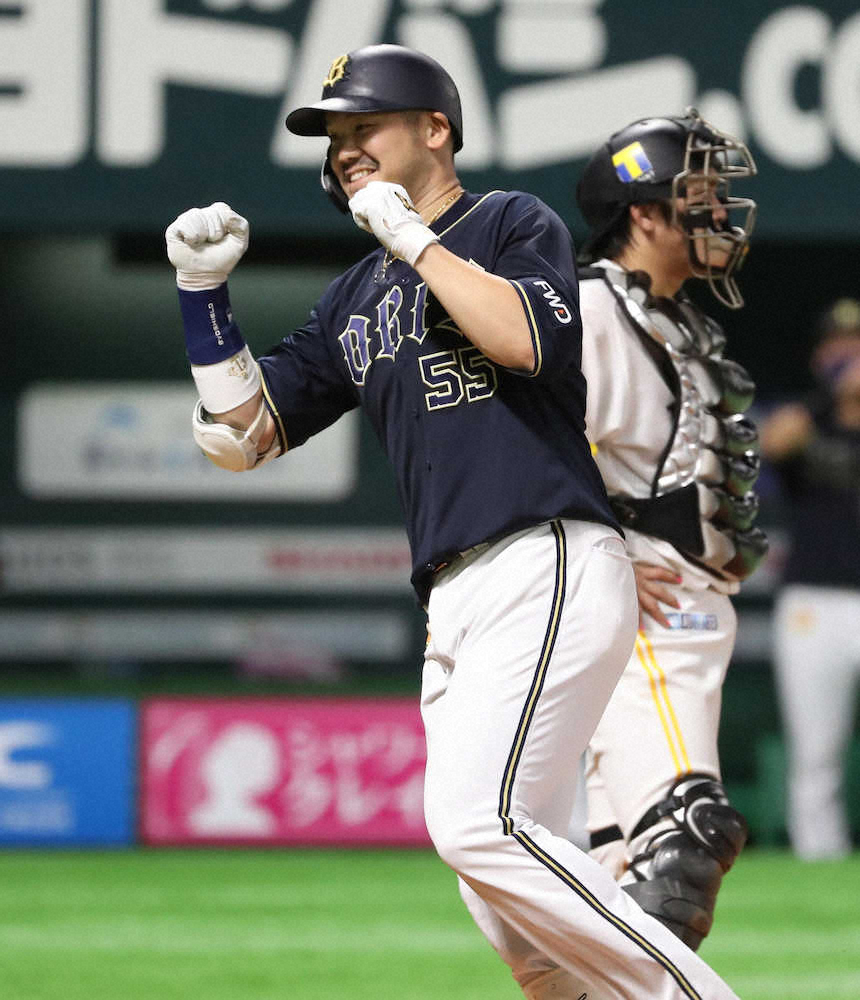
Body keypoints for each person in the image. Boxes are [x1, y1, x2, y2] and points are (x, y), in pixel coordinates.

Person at [165, 46, 744, 999]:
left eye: (365, 127)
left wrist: (414, 239)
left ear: (436, 128)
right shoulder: (353, 293)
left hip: (543, 554)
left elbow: (524, 342)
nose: (345, 149)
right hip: (454, 597)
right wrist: (202, 301)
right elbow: (244, 435)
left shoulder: (508, 221)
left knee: (480, 826)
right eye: (334, 137)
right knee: (509, 908)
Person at [573, 110, 768, 952]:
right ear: (644, 213)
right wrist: (603, 553)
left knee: (617, 877)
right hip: (647, 615)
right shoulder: (593, 308)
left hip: (685, 616)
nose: (720, 211)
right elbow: (534, 450)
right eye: (700, 194)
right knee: (686, 839)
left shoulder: (672, 318)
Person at [761, 298, 860, 860]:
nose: (850, 354)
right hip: (815, 601)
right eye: (838, 345)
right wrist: (832, 395)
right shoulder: (806, 418)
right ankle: (819, 856)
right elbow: (772, 443)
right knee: (816, 747)